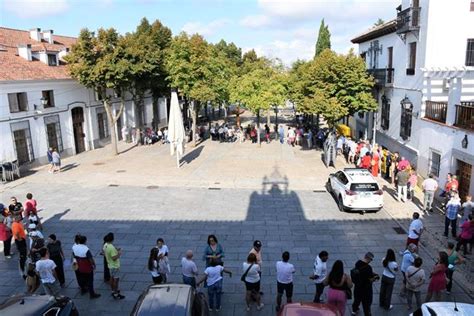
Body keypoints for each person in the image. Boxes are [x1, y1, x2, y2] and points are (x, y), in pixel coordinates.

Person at [72, 234, 101, 299]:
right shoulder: (86, 249)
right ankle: (92, 294)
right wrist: (94, 265)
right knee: (90, 280)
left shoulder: (74, 247)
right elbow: (90, 259)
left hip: (79, 265)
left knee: (82, 278)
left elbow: (74, 255)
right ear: (85, 241)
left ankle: (83, 289)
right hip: (87, 266)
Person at [351, 252, 379, 316]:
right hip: (365, 289)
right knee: (366, 304)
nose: (371, 261)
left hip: (358, 287)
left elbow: (361, 273)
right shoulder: (368, 268)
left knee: (357, 299)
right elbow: (370, 280)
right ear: (368, 258)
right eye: (371, 259)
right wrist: (375, 277)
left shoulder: (358, 263)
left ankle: (354, 310)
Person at [103, 232, 124, 299]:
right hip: (115, 266)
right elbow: (114, 258)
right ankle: (116, 293)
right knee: (116, 280)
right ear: (112, 239)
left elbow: (104, 252)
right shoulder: (111, 247)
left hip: (110, 265)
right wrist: (119, 253)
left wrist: (116, 250)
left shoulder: (105, 244)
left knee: (111, 278)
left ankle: (112, 291)